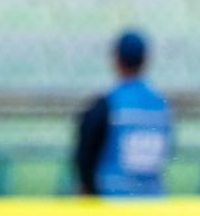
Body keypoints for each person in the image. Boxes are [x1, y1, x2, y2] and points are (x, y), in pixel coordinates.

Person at [74, 29, 174, 196]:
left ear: (117, 60)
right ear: (146, 60)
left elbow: (86, 156)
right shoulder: (162, 106)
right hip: (153, 204)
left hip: (113, 204)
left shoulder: (109, 104)